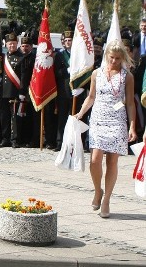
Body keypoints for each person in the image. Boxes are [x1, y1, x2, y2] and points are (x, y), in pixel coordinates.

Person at [74, 40, 137, 218]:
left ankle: (107, 198)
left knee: (112, 161)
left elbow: (130, 103)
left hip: (117, 120)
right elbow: (91, 96)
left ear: (123, 58)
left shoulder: (127, 76)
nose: (114, 61)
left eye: (118, 58)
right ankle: (97, 190)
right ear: (106, 56)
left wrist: (132, 126)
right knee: (95, 160)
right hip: (98, 119)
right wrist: (80, 113)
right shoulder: (96, 73)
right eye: (111, 58)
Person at [0, 33, 27, 148]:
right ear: (6, 44)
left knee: (15, 117)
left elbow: (24, 77)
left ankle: (15, 139)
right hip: (3, 92)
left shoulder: (21, 57)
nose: (12, 46)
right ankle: (5, 139)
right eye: (10, 44)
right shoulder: (3, 57)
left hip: (15, 92)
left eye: (14, 44)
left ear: (17, 44)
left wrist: (22, 92)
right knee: (4, 117)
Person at [52, 30, 74, 151]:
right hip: (63, 91)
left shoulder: (78, 54)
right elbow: (56, 73)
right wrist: (67, 71)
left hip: (76, 91)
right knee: (62, 118)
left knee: (75, 118)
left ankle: (74, 143)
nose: (67, 42)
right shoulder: (60, 55)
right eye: (65, 41)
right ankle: (60, 142)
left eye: (70, 40)